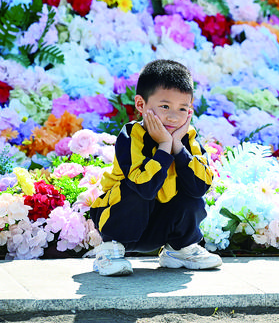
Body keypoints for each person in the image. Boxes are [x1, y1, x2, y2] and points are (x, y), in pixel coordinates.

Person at [90, 59, 222, 276]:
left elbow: (201, 187)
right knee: (133, 191)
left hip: (160, 226)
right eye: (164, 106)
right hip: (121, 221)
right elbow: (144, 187)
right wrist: (163, 146)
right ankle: (109, 251)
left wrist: (178, 147)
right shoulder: (132, 135)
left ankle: (179, 249)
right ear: (141, 105)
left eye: (183, 108)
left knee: (191, 196)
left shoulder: (187, 138)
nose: (173, 116)